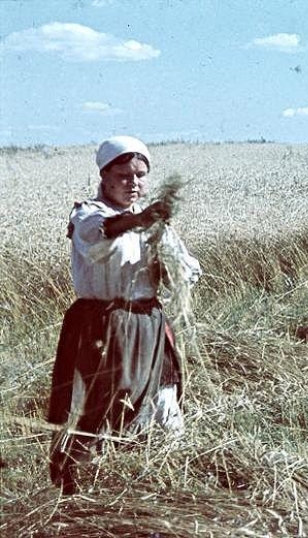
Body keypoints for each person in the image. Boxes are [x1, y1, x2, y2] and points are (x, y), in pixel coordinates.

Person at [47, 135, 202, 494]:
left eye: (140, 176)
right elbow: (98, 237)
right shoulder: (88, 214)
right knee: (99, 405)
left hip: (149, 324)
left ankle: (160, 480)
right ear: (104, 176)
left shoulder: (154, 223)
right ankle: (80, 486)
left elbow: (186, 268)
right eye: (123, 175)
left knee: (163, 398)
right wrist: (138, 220)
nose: (133, 183)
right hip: (104, 325)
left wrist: (169, 267)